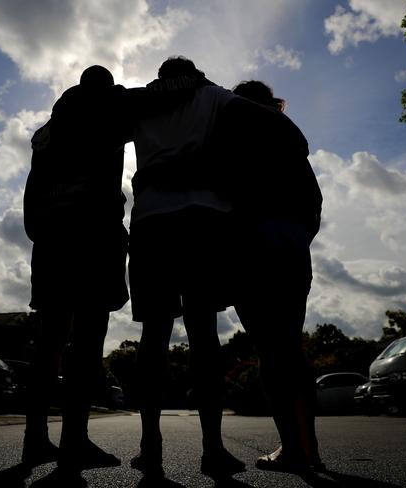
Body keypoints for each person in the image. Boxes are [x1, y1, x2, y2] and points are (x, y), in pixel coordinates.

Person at [128, 56, 245, 478]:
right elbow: (256, 120)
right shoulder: (212, 95)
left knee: (154, 336)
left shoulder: (141, 104)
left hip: (151, 221)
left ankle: (150, 445)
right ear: (193, 72)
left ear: (161, 78)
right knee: (203, 336)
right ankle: (212, 448)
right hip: (203, 217)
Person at [21, 65, 129, 471]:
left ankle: (35, 440)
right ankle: (75, 440)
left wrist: (38, 230)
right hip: (92, 237)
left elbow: (32, 191)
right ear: (105, 87)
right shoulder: (109, 109)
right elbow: (141, 100)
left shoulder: (46, 133)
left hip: (51, 239)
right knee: (86, 342)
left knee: (49, 342)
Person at [220, 79, 323, 473]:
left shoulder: (231, 136)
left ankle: (293, 448)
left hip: (251, 249)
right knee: (290, 349)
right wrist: (297, 237)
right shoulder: (292, 142)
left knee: (269, 351)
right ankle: (306, 447)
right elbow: (313, 202)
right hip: (292, 250)